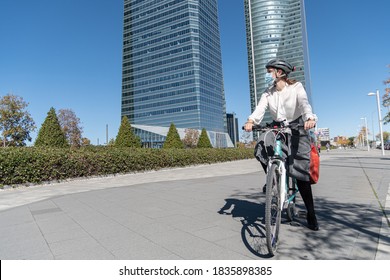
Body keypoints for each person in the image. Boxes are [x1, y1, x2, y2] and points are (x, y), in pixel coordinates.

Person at [244, 58, 319, 231]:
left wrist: (309, 118)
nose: (268, 74)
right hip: (278, 127)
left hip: (297, 126)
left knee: (300, 173)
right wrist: (250, 121)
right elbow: (260, 109)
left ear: (280, 73)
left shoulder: (296, 87)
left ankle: (310, 212)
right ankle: (273, 178)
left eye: (270, 71)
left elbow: (304, 104)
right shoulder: (268, 92)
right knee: (261, 144)